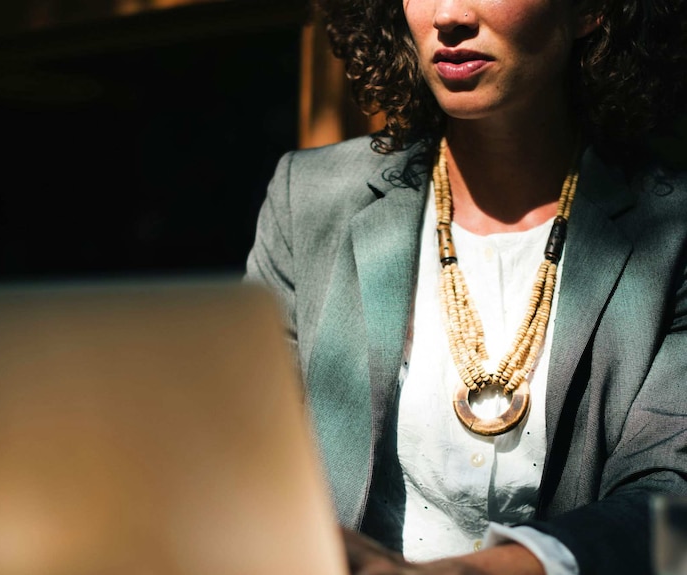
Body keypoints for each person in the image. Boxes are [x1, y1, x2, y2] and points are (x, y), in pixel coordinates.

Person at [245, 0, 687, 574]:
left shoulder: (672, 232)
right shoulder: (307, 199)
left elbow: (673, 512)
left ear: (590, 11)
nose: (448, 14)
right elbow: (249, 456)